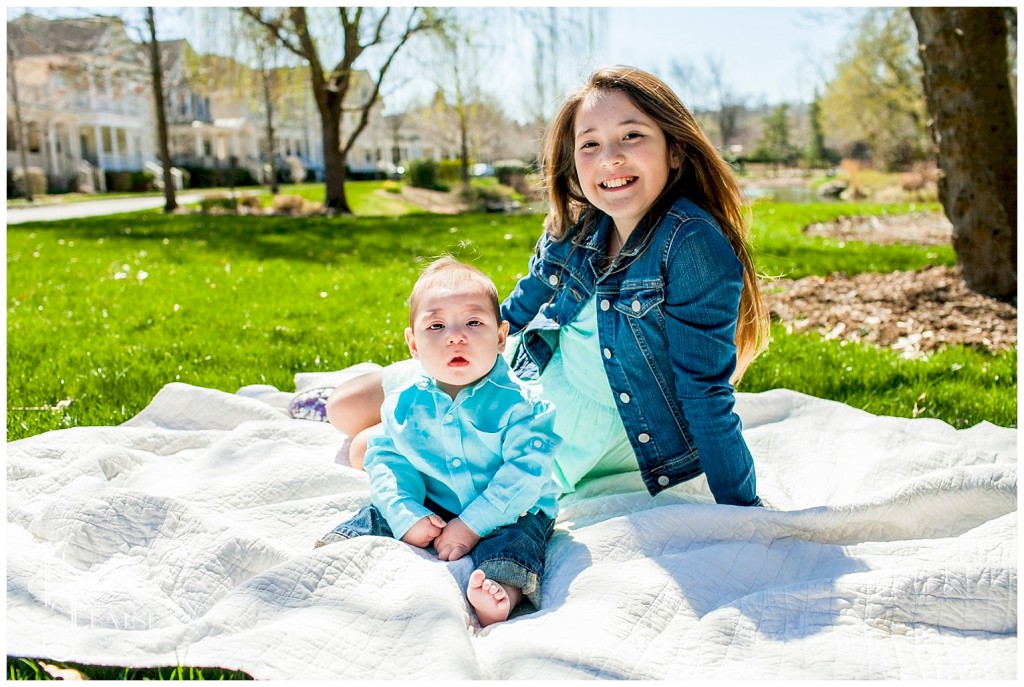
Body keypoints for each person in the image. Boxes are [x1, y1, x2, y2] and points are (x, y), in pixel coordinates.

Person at [326, 65, 769, 508]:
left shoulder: (690, 242)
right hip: (531, 369)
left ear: (674, 151)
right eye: (590, 144)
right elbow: (519, 308)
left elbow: (705, 391)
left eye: (632, 136)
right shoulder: (581, 222)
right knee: (342, 406)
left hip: (583, 425)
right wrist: (469, 354)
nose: (610, 157)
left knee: (367, 448)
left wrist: (744, 512)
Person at [317, 257, 562, 626]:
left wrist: (471, 526)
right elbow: (387, 460)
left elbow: (524, 477)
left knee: (518, 541)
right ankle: (340, 558)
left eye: (473, 322)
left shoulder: (524, 407)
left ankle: (502, 592)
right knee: (378, 512)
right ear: (413, 344)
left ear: (500, 338)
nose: (455, 336)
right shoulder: (404, 402)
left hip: (511, 507)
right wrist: (406, 513)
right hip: (437, 501)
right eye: (436, 325)